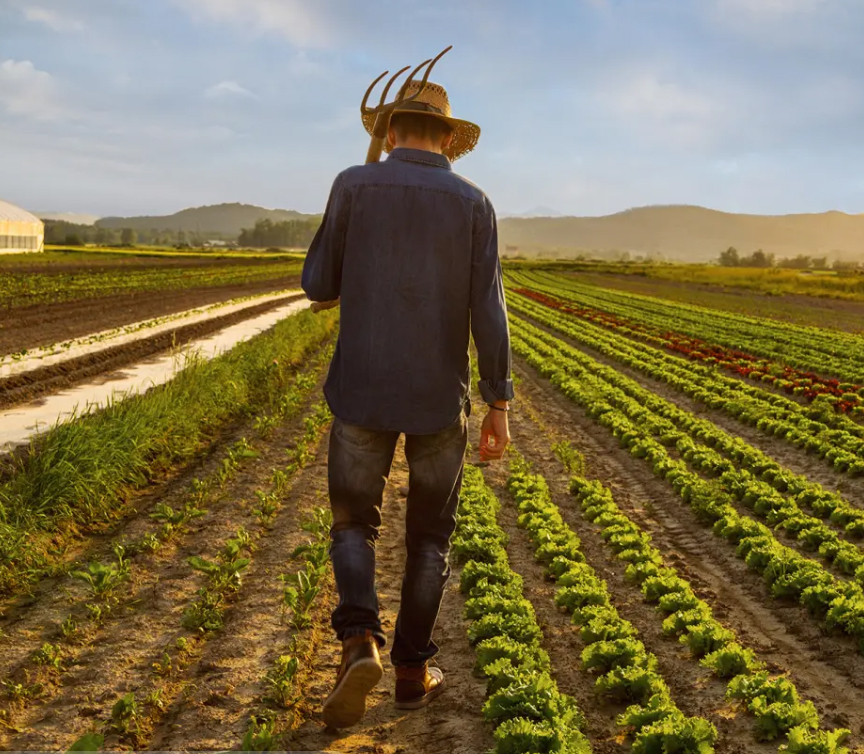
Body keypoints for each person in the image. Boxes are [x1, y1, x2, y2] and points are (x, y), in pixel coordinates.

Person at [301, 77, 513, 730]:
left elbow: (318, 286)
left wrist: (347, 211)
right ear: (449, 139)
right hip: (436, 402)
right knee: (429, 539)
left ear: (389, 133)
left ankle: (359, 641)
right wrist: (497, 402)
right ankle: (412, 671)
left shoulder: (352, 185)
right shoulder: (474, 202)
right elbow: (489, 311)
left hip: (361, 391)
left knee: (352, 525)